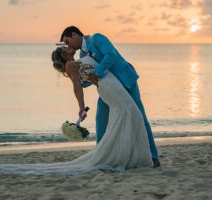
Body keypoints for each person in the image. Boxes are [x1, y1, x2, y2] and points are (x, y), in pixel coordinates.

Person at [0, 47, 153, 175]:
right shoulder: (70, 65)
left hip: (109, 86)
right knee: (128, 113)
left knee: (128, 114)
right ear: (64, 55)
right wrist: (81, 108)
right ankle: (124, 156)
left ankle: (127, 155)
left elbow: (89, 74)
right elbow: (77, 87)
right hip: (108, 88)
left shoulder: (79, 60)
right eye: (65, 48)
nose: (68, 47)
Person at [60, 26, 160, 167]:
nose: (67, 45)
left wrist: (98, 73)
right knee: (101, 119)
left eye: (67, 41)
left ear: (74, 34)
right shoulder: (82, 56)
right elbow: (87, 81)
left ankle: (153, 156)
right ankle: (102, 156)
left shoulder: (96, 38)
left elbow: (111, 55)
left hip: (125, 81)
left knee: (140, 117)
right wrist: (71, 64)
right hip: (109, 89)